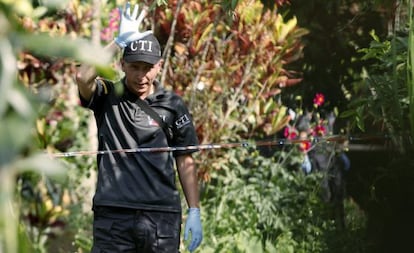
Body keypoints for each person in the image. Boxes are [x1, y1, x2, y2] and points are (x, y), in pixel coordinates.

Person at [75, 2, 202, 252]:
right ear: (122, 64)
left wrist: (194, 210)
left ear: (159, 65)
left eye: (148, 68)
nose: (141, 76)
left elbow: (185, 159)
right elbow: (82, 76)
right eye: (134, 67)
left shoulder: (172, 104)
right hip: (113, 217)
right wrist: (119, 41)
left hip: (161, 218)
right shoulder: (107, 95)